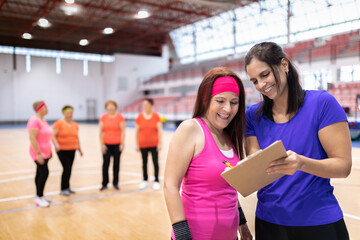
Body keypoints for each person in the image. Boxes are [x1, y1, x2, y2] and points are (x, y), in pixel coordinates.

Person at [244, 42, 352, 240]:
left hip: (319, 222)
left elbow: (343, 166)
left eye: (265, 74)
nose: (261, 85)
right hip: (269, 224)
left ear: (284, 64)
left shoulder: (322, 104)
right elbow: (255, 164)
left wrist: (302, 163)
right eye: (254, 80)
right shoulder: (252, 117)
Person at [163, 67, 253, 240]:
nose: (227, 109)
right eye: (220, 101)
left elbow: (228, 190)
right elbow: (170, 186)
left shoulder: (228, 136)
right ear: (206, 99)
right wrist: (183, 237)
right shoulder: (191, 129)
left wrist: (243, 225)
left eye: (234, 102)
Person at [27, 101, 55, 207]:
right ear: (39, 108)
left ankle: (40, 195)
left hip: (46, 152)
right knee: (44, 173)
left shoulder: (44, 121)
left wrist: (50, 150)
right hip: (38, 153)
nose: (47, 109)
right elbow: (32, 138)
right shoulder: (34, 121)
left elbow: (47, 137)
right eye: (45, 107)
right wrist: (38, 153)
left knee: (39, 173)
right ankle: (39, 197)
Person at [53, 105, 83, 196]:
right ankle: (63, 189)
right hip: (62, 150)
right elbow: (53, 136)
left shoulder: (75, 125)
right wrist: (56, 145)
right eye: (68, 113)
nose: (70, 114)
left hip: (72, 149)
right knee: (66, 168)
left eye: (71, 113)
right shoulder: (58, 124)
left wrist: (79, 149)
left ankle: (67, 187)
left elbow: (77, 137)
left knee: (69, 169)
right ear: (64, 114)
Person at [135, 98, 163, 190]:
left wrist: (160, 143)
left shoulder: (156, 116)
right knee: (144, 162)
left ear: (151, 105)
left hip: (154, 143)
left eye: (146, 104)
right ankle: (145, 180)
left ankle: (156, 181)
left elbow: (159, 131)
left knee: (155, 162)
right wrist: (136, 144)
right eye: (144, 105)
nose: (145, 106)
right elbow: (137, 132)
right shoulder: (139, 117)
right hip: (142, 143)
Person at [99, 100, 125, 191]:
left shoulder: (120, 117)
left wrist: (122, 143)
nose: (110, 107)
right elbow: (100, 132)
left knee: (116, 164)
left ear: (115, 107)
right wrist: (102, 144)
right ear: (106, 107)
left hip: (117, 145)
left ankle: (115, 183)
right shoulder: (103, 117)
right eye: (108, 106)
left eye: (112, 105)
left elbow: (123, 131)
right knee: (105, 164)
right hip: (106, 145)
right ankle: (104, 183)